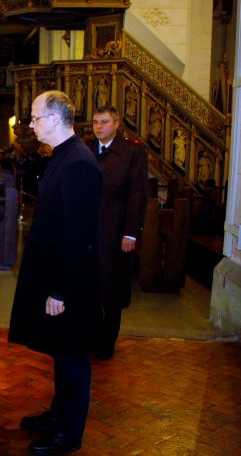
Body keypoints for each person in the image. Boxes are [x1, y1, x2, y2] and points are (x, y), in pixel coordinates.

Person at [9, 90, 101, 454]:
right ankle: (58, 415)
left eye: (36, 118)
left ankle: (68, 433)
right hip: (56, 274)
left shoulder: (78, 163)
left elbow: (79, 235)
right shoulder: (62, 155)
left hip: (71, 283)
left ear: (56, 119)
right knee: (60, 352)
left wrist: (60, 290)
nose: (31, 125)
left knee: (72, 357)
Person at [90, 106, 148, 360]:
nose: (98, 127)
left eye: (104, 122)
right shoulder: (87, 149)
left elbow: (138, 194)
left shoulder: (132, 152)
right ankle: (89, 336)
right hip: (89, 229)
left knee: (112, 287)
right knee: (90, 285)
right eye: (95, 122)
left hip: (116, 229)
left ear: (116, 124)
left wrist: (131, 233)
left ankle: (106, 343)